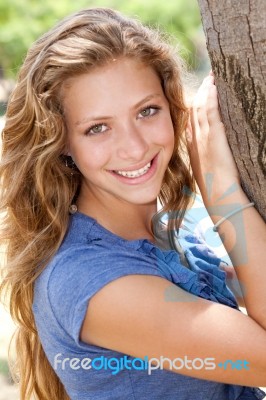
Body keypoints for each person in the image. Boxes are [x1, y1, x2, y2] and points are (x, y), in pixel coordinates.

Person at [0, 7, 265, 400]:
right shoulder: (93, 281)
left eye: (147, 111)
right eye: (97, 128)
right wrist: (223, 194)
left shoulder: (165, 234)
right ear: (62, 143)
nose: (135, 147)